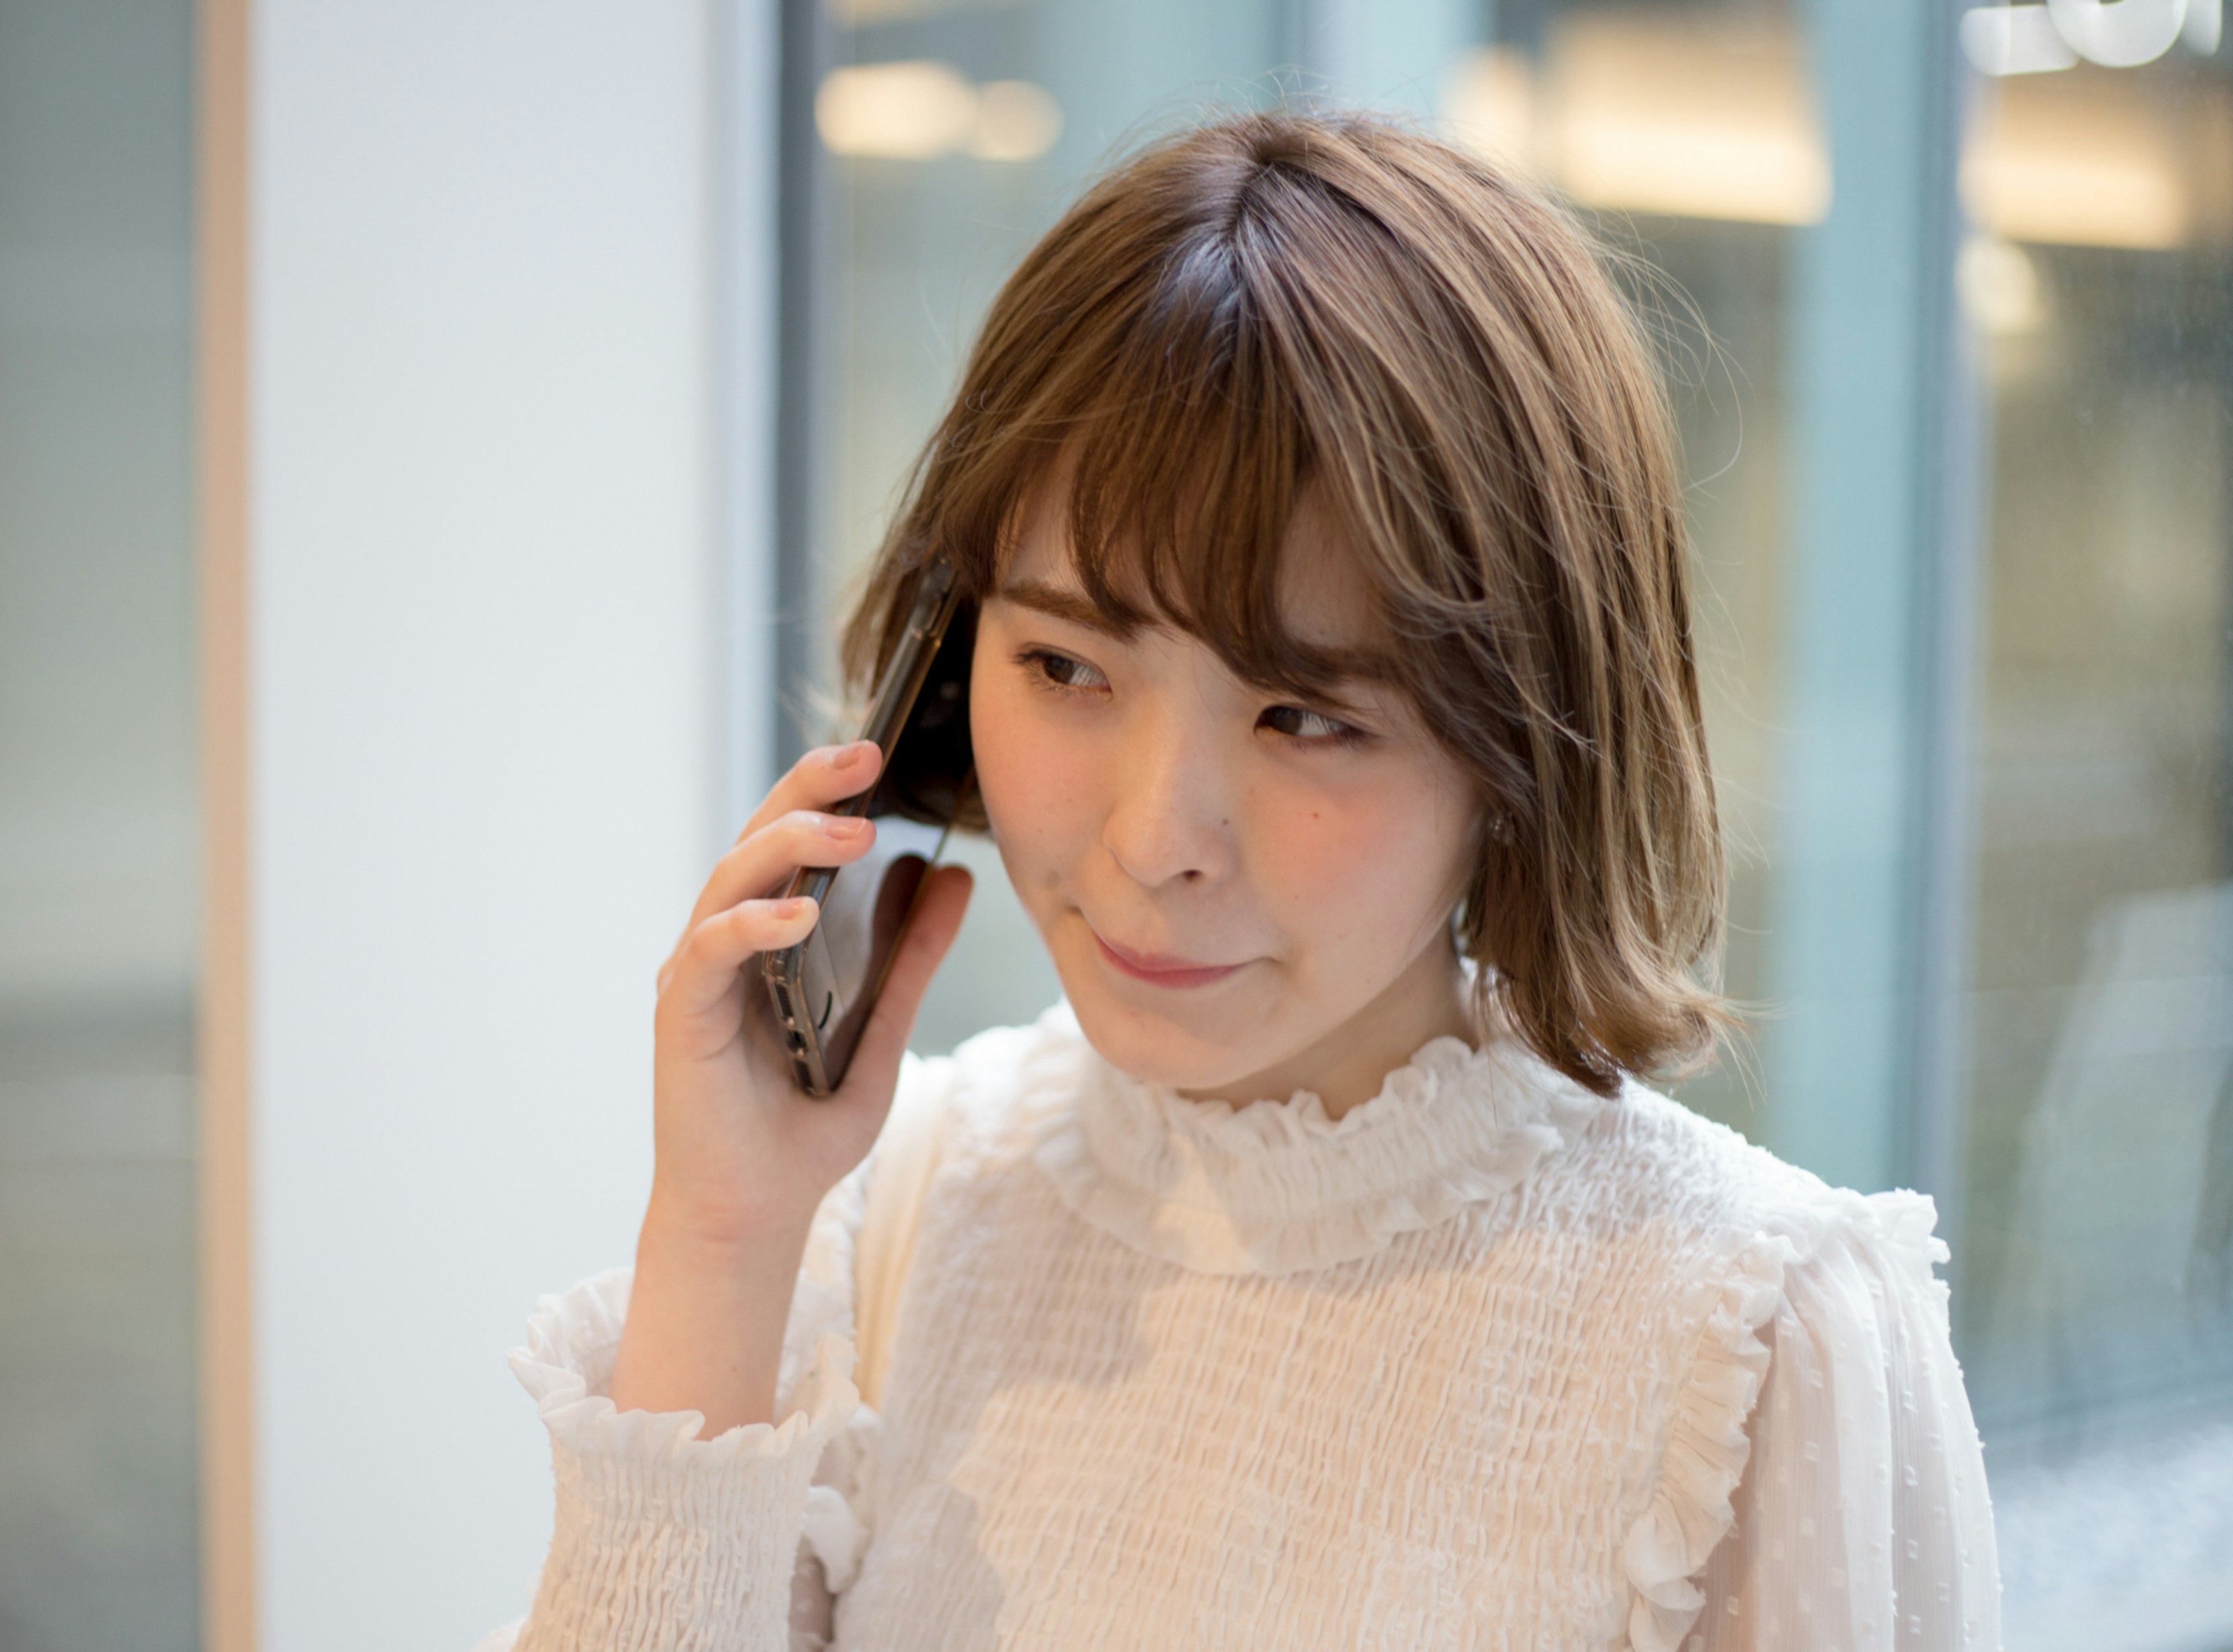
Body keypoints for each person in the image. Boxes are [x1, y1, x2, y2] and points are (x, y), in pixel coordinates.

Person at [484, 113, 2001, 1651]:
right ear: (947, 670)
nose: (1155, 839)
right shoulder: (893, 1210)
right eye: (1065, 665)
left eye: (1303, 716)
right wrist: (725, 1244)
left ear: (1529, 741)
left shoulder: (1752, 1337)